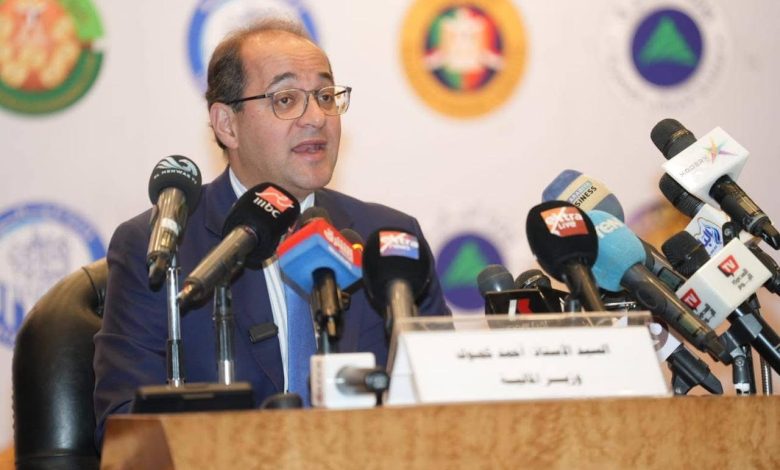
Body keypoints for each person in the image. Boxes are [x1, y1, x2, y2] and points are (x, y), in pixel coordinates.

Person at [92, 19, 449, 449]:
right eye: (285, 99)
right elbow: (125, 428)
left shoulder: (390, 240)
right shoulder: (163, 248)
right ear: (227, 124)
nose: (316, 118)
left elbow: (448, 402)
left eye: (325, 96)